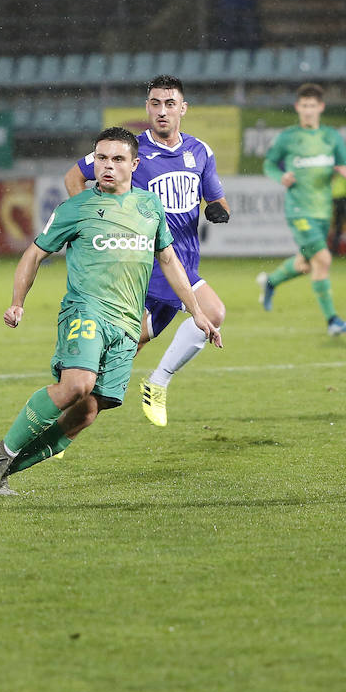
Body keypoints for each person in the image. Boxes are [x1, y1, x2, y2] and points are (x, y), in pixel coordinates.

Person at [0, 128, 223, 495]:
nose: (108, 166)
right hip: (86, 311)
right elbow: (34, 253)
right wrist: (17, 302)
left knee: (88, 411)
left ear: (134, 165)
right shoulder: (75, 208)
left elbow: (169, 260)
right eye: (102, 158)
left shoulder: (150, 208)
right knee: (77, 385)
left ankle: (4, 471)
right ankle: (0, 453)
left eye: (118, 159)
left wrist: (198, 313)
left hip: (127, 323)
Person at [63, 74, 229, 427]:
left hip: (181, 263)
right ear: (147, 108)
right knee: (210, 312)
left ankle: (65, 422)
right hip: (139, 265)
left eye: (170, 104)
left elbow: (218, 198)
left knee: (118, 358)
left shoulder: (200, 151)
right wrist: (94, 218)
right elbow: (74, 178)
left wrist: (218, 209)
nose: (162, 111)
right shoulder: (130, 151)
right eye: (155, 103)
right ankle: (153, 384)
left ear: (183, 108)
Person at [256, 83, 346, 336]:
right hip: (298, 209)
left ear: (320, 107)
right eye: (304, 106)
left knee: (306, 264)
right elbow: (269, 164)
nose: (309, 111)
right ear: (297, 107)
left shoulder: (331, 136)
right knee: (323, 259)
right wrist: (281, 176)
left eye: (313, 106)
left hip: (323, 210)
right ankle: (333, 321)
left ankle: (270, 282)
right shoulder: (288, 137)